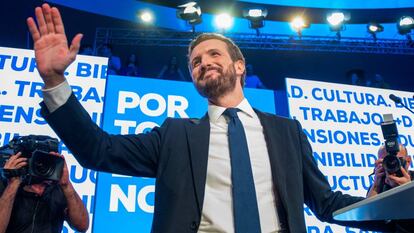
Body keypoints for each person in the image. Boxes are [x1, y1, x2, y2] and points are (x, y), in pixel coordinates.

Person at [27, 4, 397, 232]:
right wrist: (55, 80)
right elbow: (99, 149)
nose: (204, 62)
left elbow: (327, 204)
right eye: (195, 62)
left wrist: (394, 203)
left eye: (214, 55)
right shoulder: (173, 135)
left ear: (239, 66)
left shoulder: (287, 131)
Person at [0, 152, 89, 233]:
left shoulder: (59, 190)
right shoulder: (6, 186)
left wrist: (67, 185)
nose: (41, 165)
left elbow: (82, 226)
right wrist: (13, 184)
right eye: (38, 160)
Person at [367, 144, 413, 233]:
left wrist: (408, 190)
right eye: (386, 160)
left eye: (397, 160)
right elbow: (369, 217)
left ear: (408, 161)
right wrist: (376, 185)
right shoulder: (378, 185)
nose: (392, 164)